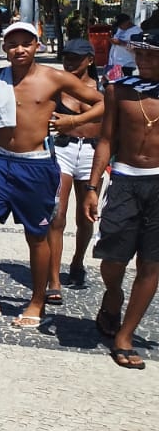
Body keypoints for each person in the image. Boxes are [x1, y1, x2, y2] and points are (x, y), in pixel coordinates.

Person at [0, 21, 103, 328]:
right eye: (12, 44)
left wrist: (73, 122)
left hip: (36, 165)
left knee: (37, 236)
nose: (19, 49)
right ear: (4, 48)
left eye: (26, 43)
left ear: (37, 45)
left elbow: (103, 103)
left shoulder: (54, 77)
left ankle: (37, 302)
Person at [84, 35, 159, 368]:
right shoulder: (119, 89)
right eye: (140, 53)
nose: (143, 60)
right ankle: (113, 294)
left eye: (152, 56)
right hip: (127, 179)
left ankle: (125, 336)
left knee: (152, 263)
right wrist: (92, 186)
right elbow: (106, 139)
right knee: (112, 257)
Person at [47, 40, 101, 300]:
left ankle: (78, 261)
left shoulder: (102, 88)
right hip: (62, 150)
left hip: (93, 152)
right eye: (67, 56)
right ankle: (54, 279)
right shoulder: (57, 86)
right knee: (57, 214)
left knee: (85, 215)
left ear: (90, 60)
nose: (69, 62)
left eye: (76, 58)